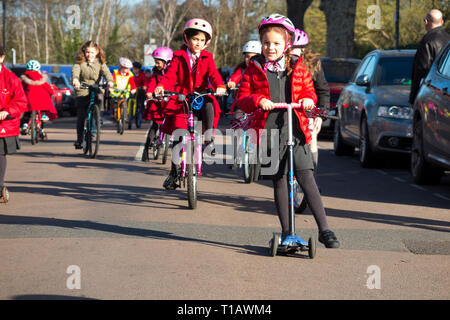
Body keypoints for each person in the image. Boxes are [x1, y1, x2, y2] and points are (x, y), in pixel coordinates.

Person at [237, 14, 340, 248]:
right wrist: (257, 100)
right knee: (279, 180)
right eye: (265, 43)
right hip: (269, 130)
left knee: (306, 176)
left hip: (296, 129)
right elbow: (241, 99)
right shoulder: (254, 68)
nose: (270, 48)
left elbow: (310, 92)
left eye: (275, 43)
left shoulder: (298, 67)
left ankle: (325, 229)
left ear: (287, 45)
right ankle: (286, 232)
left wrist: (306, 100)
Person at [154, 18, 227, 190]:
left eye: (202, 40)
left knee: (211, 103)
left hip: (200, 96)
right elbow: (170, 75)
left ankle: (209, 139)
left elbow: (214, 74)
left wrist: (220, 86)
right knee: (178, 135)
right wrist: (162, 85)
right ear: (186, 39)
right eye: (195, 39)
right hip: (181, 98)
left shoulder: (207, 57)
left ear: (207, 42)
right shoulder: (178, 57)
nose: (198, 43)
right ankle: (174, 172)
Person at [286, 29, 330, 172]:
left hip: (307, 110)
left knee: (311, 140)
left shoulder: (313, 65)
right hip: (285, 109)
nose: (292, 53)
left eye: (295, 49)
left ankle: (312, 178)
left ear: (303, 49)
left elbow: (322, 91)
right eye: (289, 49)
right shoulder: (280, 63)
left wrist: (320, 116)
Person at [72, 40, 114, 149]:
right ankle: (79, 140)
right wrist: (76, 80)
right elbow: (75, 72)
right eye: (87, 52)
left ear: (96, 52)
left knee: (99, 98)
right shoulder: (79, 62)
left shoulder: (100, 63)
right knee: (81, 116)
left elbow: (107, 73)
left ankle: (97, 116)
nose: (89, 55)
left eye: (91, 52)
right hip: (82, 89)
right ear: (84, 52)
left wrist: (110, 81)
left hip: (96, 88)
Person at [0, 46, 28, 203]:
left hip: (3, 124)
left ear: (2, 57)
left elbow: (20, 101)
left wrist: (7, 111)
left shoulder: (11, 79)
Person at [409, 9, 450, 106]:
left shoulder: (427, 41)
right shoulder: (448, 39)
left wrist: (413, 97)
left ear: (426, 22)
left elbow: (421, 71)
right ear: (442, 22)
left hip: (432, 93)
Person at [142, 47, 174, 162]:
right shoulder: (155, 74)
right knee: (155, 125)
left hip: (168, 102)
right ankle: (146, 149)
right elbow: (151, 84)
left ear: (167, 62)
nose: (156, 64)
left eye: (158, 62)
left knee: (173, 122)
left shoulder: (171, 73)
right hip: (157, 102)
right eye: (155, 62)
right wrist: (150, 92)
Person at [20, 59, 58, 137]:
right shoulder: (42, 78)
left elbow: (20, 89)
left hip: (29, 100)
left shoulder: (24, 79)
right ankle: (44, 115)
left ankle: (25, 125)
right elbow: (49, 89)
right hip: (42, 101)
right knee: (44, 104)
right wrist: (52, 93)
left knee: (26, 112)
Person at [227, 40, 262, 122]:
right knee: (237, 118)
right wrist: (232, 82)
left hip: (258, 102)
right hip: (243, 102)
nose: (249, 59)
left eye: (253, 57)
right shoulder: (242, 69)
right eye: (247, 56)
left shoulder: (262, 70)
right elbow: (235, 77)